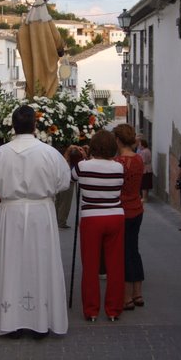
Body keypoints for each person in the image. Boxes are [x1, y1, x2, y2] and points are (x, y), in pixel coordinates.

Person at [0, 105, 70, 339]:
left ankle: (12, 323)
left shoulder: (0, 154)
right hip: (41, 213)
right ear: (35, 125)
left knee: (11, 264)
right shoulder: (50, 153)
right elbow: (63, 182)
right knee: (41, 262)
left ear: (13, 125)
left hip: (11, 213)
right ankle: (41, 323)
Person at [71, 130, 125, 322]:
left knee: (90, 266)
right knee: (116, 265)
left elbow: (72, 178)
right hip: (115, 216)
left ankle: (91, 310)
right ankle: (113, 310)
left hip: (91, 218)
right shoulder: (119, 167)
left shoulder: (82, 167)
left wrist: (85, 158)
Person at [113, 124, 144, 311]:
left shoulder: (118, 163)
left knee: (123, 252)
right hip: (137, 209)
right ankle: (138, 293)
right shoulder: (139, 159)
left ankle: (126, 297)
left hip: (122, 209)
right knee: (134, 249)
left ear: (117, 140)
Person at [55, 145, 85, 229]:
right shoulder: (66, 161)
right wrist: (68, 152)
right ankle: (61, 221)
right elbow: (66, 168)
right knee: (64, 201)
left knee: (59, 200)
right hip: (68, 178)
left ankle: (57, 220)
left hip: (63, 177)